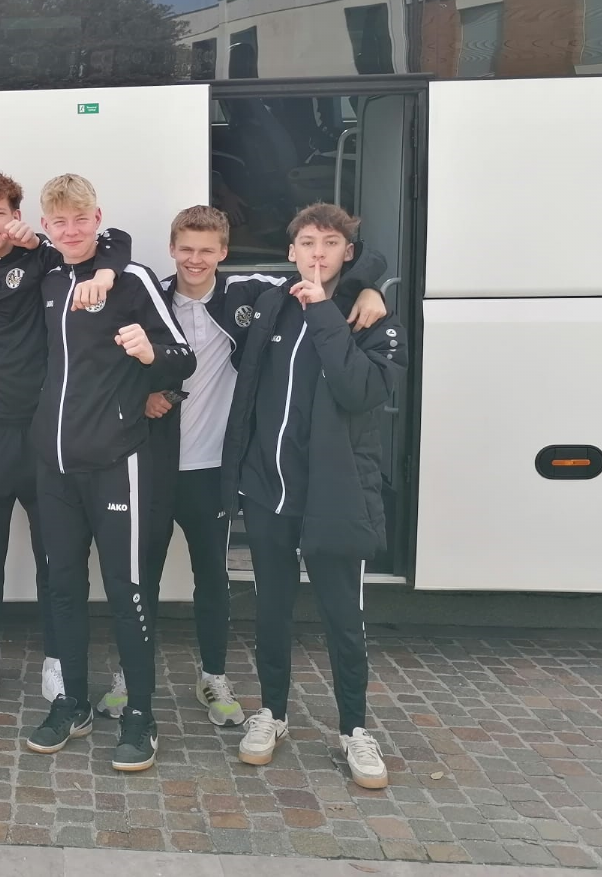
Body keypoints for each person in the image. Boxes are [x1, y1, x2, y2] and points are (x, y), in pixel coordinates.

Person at [111, 206, 387, 727]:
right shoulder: (148, 297)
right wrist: (145, 393)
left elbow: (330, 264)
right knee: (140, 577)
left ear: (224, 253)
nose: (195, 259)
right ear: (171, 249)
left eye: (207, 250)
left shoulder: (249, 294)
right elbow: (112, 361)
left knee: (213, 579)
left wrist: (369, 286)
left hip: (215, 466)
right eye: (186, 249)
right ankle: (131, 675)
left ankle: (214, 676)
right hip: (152, 463)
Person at [222, 202, 407, 789]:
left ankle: (354, 729)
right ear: (291, 251)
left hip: (337, 493)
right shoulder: (271, 300)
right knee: (271, 613)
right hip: (269, 491)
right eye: (307, 243)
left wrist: (341, 300)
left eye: (330, 243)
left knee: (343, 619)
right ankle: (272, 713)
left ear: (348, 252)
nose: (318, 253)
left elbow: (358, 390)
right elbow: (203, 276)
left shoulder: (371, 320)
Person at [0, 172, 131, 717]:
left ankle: (57, 658)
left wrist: (98, 266)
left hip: (41, 435)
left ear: (17, 216)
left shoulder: (45, 258)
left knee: (55, 556)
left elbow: (113, 241)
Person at [25, 174, 195, 773]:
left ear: (98, 219)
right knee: (63, 587)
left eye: (81, 219)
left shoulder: (132, 279)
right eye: (60, 222)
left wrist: (150, 355)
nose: (71, 230)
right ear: (47, 226)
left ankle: (140, 714)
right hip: (55, 466)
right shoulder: (48, 278)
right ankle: (71, 702)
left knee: (126, 591)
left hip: (118, 464)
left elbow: (184, 358)